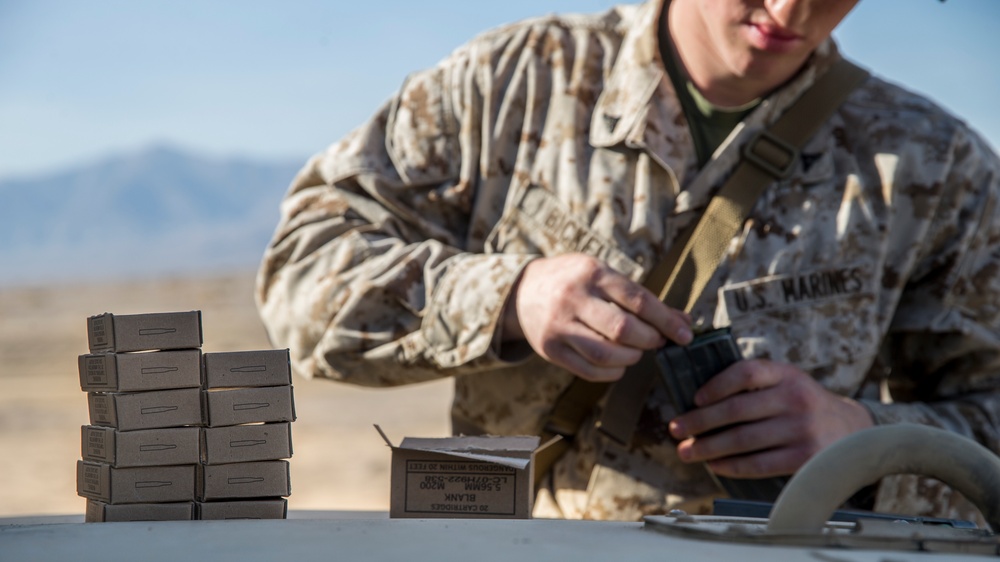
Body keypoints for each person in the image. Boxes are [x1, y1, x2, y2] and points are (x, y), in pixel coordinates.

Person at [255, 0, 1000, 522]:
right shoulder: (513, 82)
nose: (791, 7)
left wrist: (860, 441)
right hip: (505, 543)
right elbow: (301, 275)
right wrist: (510, 297)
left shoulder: (934, 165)